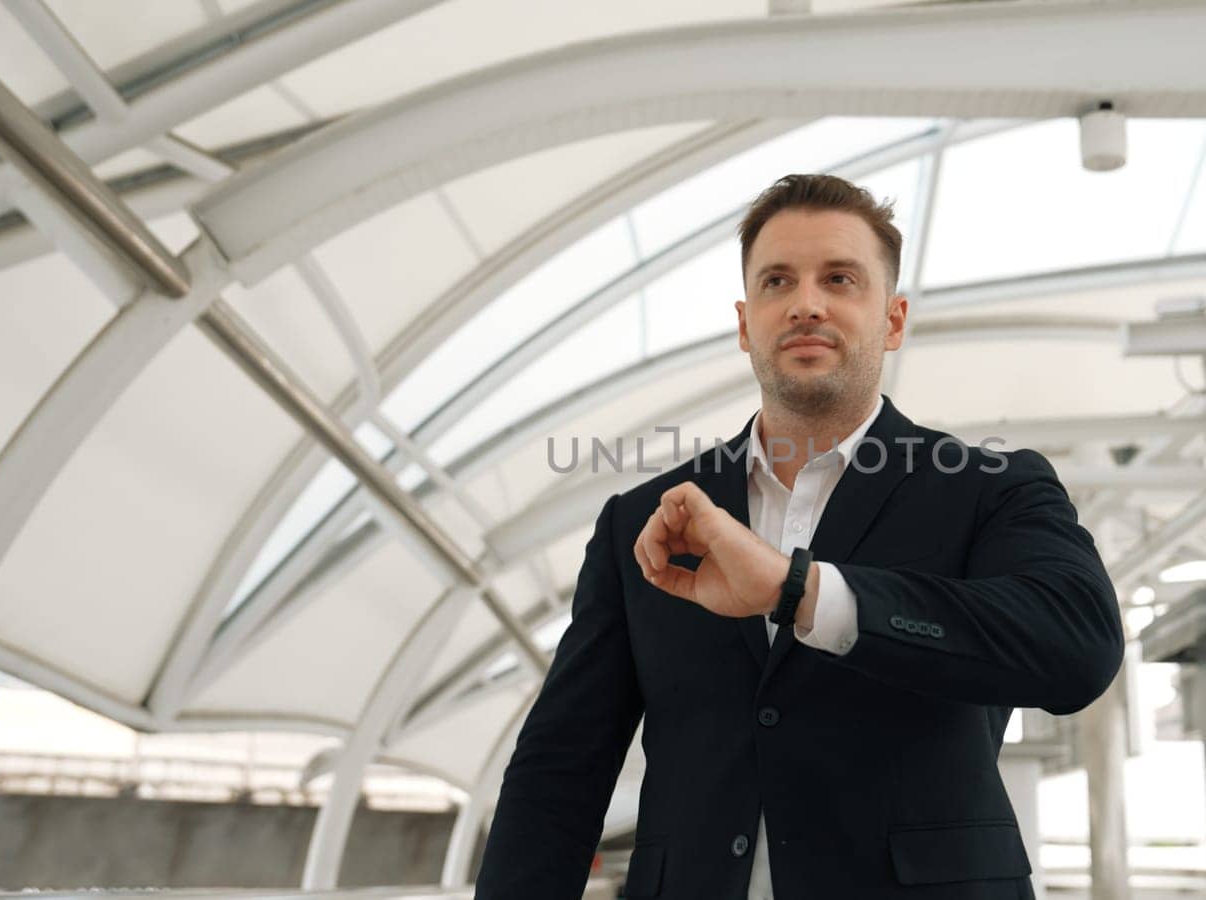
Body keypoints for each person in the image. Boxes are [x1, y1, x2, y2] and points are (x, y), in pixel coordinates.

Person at [473, 173, 1123, 899]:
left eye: (840, 279)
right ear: (747, 323)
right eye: (778, 281)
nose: (806, 303)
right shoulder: (644, 521)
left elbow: (1078, 647)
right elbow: (561, 767)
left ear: (894, 319)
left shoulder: (988, 489)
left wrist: (803, 591)